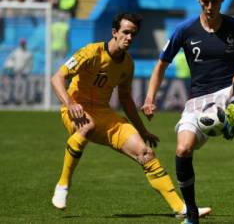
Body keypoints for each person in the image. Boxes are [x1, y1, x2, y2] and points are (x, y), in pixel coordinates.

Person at [141, 0, 234, 224]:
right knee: (182, 149)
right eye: (205, 1)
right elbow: (161, 65)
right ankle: (191, 214)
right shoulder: (184, 30)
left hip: (228, 93)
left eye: (214, 1)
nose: (209, 7)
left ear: (222, 0)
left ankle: (231, 119)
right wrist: (150, 98)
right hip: (197, 102)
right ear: (198, 0)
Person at [50, 12, 211, 219]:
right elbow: (57, 77)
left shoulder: (127, 64)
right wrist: (70, 104)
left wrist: (143, 131)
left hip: (104, 114)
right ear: (114, 32)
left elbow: (125, 100)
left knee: (145, 153)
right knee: (87, 126)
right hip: (76, 109)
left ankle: (181, 208)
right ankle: (63, 184)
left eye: (133, 34)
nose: (129, 38)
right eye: (125, 33)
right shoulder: (90, 52)